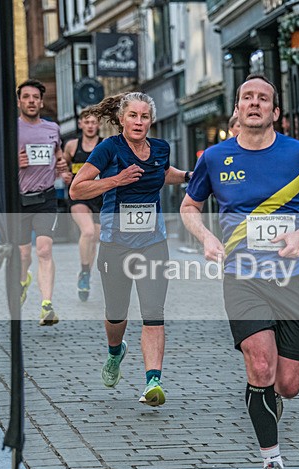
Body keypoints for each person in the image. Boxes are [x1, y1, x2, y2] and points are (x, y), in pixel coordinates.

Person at [180, 74, 299, 469]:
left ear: (274, 111)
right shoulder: (214, 157)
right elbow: (189, 206)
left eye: (262, 98)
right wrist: (207, 237)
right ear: (237, 108)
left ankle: (269, 398)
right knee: (261, 365)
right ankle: (272, 463)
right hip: (242, 276)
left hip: (293, 277)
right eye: (247, 97)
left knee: (289, 383)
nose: (254, 103)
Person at [71, 92, 192, 407]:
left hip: (153, 243)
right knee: (117, 313)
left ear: (151, 120)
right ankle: (115, 351)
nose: (139, 122)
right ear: (122, 119)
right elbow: (77, 188)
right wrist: (116, 180)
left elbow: (164, 175)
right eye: (133, 116)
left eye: (144, 117)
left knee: (154, 313)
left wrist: (191, 176)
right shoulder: (109, 148)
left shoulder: (161, 148)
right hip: (115, 245)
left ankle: (153, 381)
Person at [16, 79, 70, 325]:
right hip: (18, 199)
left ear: (40, 101)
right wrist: (14, 163)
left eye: (35, 97)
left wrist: (62, 166)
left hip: (46, 196)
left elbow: (58, 156)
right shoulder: (11, 129)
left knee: (45, 250)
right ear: (19, 101)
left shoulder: (52, 129)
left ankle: (46, 305)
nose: (31, 101)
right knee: (23, 255)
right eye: (26, 97)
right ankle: (22, 280)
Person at [63, 109, 103, 302]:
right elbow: (62, 164)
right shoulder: (72, 146)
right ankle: (85, 273)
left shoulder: (105, 145)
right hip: (78, 195)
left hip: (99, 197)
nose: (90, 125)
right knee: (87, 232)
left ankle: (85, 271)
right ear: (80, 124)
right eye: (86, 122)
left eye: (93, 122)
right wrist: (64, 175)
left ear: (99, 125)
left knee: (94, 238)